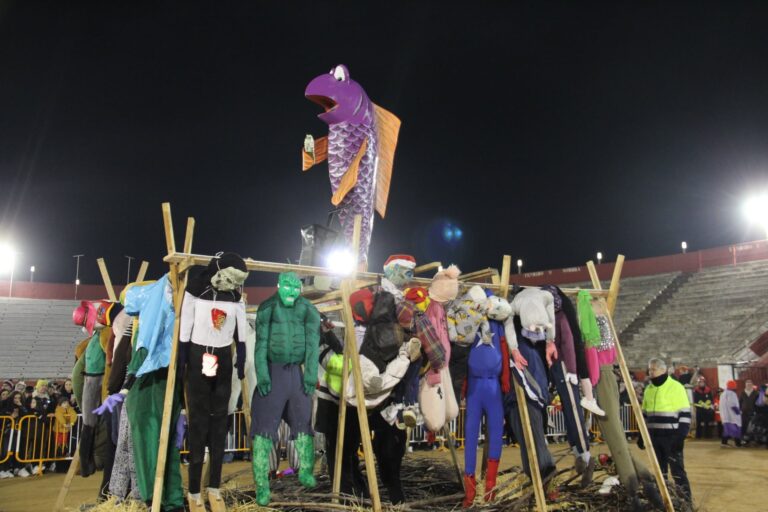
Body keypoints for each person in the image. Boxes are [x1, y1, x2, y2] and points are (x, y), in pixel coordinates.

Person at [640, 358, 692, 504]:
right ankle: (663, 502)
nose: (650, 372)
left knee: (678, 473)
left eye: (654, 369)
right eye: (649, 369)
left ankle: (686, 503)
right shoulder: (649, 389)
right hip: (654, 438)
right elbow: (644, 414)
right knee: (659, 472)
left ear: (663, 370)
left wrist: (680, 437)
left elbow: (685, 413)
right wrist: (641, 435)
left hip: (671, 437)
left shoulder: (676, 387)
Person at [720, 380, 742, 448]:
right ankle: (738, 444)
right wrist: (738, 412)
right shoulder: (732, 394)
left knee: (727, 430)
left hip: (725, 416)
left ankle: (724, 443)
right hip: (732, 416)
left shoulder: (723, 393)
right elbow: (732, 404)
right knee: (736, 430)